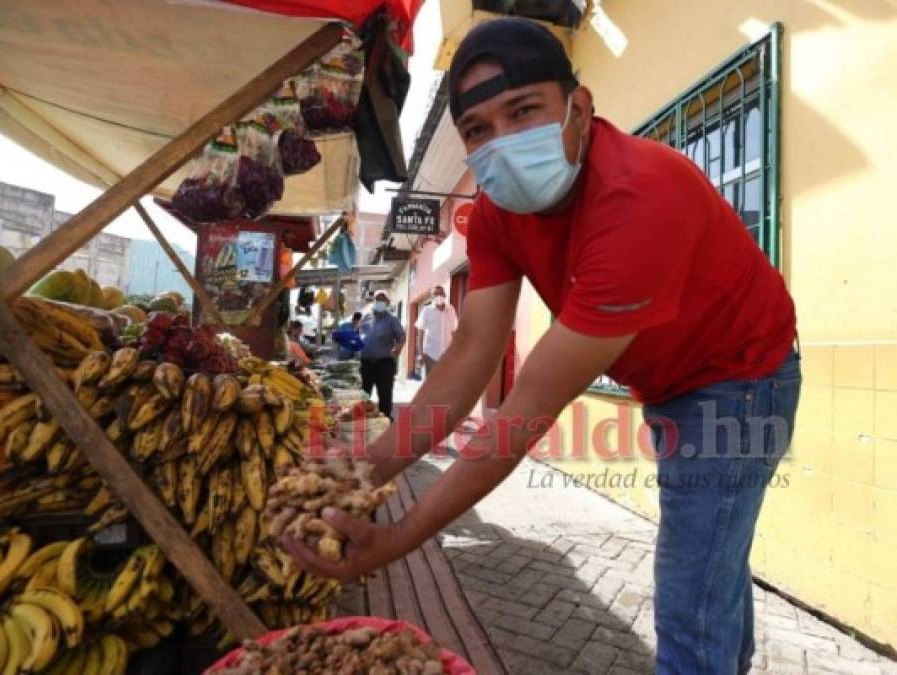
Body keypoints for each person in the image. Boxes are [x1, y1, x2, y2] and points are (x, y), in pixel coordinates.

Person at [282, 18, 800, 675]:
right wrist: (360, 476)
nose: (501, 143)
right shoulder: (496, 213)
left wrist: (393, 538)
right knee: (711, 566)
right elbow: (470, 356)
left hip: (742, 376)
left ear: (579, 109)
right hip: (669, 376)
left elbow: (520, 412)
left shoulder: (640, 199)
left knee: (692, 573)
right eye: (477, 130)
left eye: (523, 111)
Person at [358, 292, 405, 418]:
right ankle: (362, 417)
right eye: (377, 299)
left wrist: (398, 348)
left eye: (383, 300)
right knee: (364, 393)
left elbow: (401, 336)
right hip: (366, 363)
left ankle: (385, 420)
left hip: (384, 363)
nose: (380, 302)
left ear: (387, 303)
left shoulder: (392, 320)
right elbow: (360, 335)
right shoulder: (366, 317)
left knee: (384, 394)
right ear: (373, 301)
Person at [414, 285, 458, 378]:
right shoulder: (426, 310)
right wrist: (420, 354)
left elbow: (454, 332)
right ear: (432, 297)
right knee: (429, 385)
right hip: (430, 355)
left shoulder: (451, 310)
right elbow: (420, 333)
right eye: (435, 294)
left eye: (440, 293)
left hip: (447, 355)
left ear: (445, 295)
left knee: (446, 384)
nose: (438, 296)